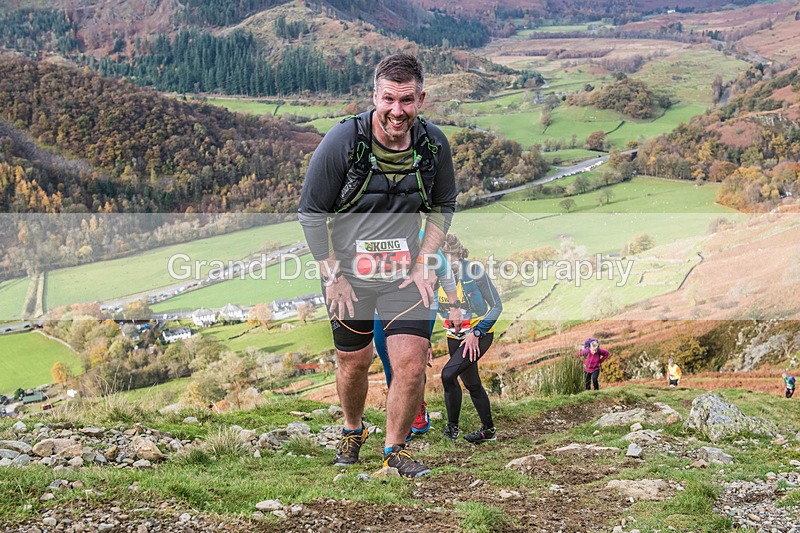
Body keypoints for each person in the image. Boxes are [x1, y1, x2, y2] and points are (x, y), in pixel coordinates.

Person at [298, 53, 457, 478]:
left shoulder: (433, 145)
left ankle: (395, 449)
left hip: (404, 275)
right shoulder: (342, 142)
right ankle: (353, 430)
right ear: (375, 96)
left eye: (407, 100)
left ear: (421, 98)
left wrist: (426, 262)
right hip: (349, 276)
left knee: (412, 359)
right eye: (389, 99)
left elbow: (443, 205)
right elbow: (311, 212)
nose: (397, 111)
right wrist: (332, 276)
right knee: (353, 361)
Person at [373, 232, 461, 440]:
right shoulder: (372, 233)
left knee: (410, 360)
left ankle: (417, 407)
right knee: (388, 361)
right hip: (382, 308)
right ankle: (400, 416)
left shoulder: (419, 236)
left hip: (420, 303)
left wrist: (454, 306)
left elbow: (444, 270)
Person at [437, 234, 503, 444]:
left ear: (459, 254)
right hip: (454, 335)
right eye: (443, 259)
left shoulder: (474, 271)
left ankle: (451, 429)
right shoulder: (434, 276)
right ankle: (488, 430)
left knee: (448, 374)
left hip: (478, 334)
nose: (449, 264)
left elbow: (497, 306)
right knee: (471, 382)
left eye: (452, 259)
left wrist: (477, 333)